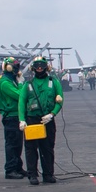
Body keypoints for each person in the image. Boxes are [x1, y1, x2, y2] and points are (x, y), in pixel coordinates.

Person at [18, 56, 64, 185]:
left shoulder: (53, 82)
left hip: (47, 120)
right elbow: (22, 102)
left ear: (46, 67)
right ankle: (32, 175)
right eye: (37, 65)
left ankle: (48, 174)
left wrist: (52, 114)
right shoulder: (28, 84)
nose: (39, 68)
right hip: (32, 120)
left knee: (47, 148)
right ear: (33, 68)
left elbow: (60, 100)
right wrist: (22, 120)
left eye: (42, 65)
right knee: (31, 149)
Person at [0, 57, 26, 179]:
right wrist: (20, 83)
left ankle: (18, 167)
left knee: (18, 144)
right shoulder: (5, 83)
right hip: (11, 116)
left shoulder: (11, 80)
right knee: (12, 144)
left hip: (16, 115)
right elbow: (20, 95)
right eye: (14, 66)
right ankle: (10, 169)